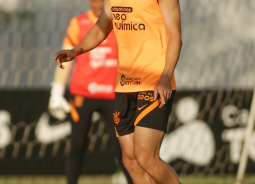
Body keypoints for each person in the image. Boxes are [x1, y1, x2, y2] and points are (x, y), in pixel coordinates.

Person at [54, 0, 182, 183]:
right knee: (130, 161)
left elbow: (175, 36)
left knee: (146, 158)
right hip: (124, 84)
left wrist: (166, 76)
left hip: (153, 83)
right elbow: (101, 28)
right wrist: (75, 51)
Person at [48, 0, 133, 184]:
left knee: (122, 148)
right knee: (77, 145)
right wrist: (56, 91)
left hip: (113, 95)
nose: (97, 2)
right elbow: (66, 58)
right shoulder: (77, 23)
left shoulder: (121, 22)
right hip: (82, 94)